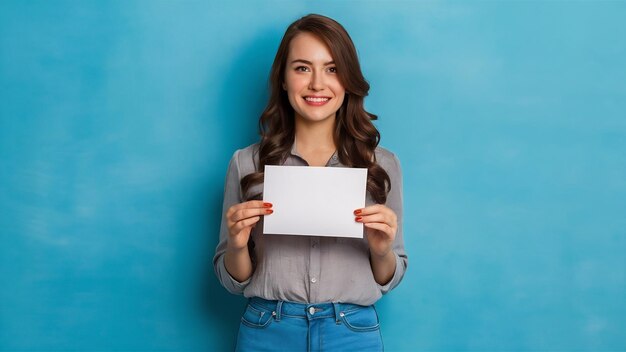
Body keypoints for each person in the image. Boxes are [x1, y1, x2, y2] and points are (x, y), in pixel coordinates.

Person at [213, 13, 407, 351]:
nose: (317, 83)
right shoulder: (246, 163)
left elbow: (390, 275)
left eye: (332, 69)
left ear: (348, 79)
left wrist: (381, 251)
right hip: (267, 330)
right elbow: (232, 279)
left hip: (351, 333)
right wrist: (237, 244)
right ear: (284, 79)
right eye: (302, 68)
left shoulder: (383, 165)